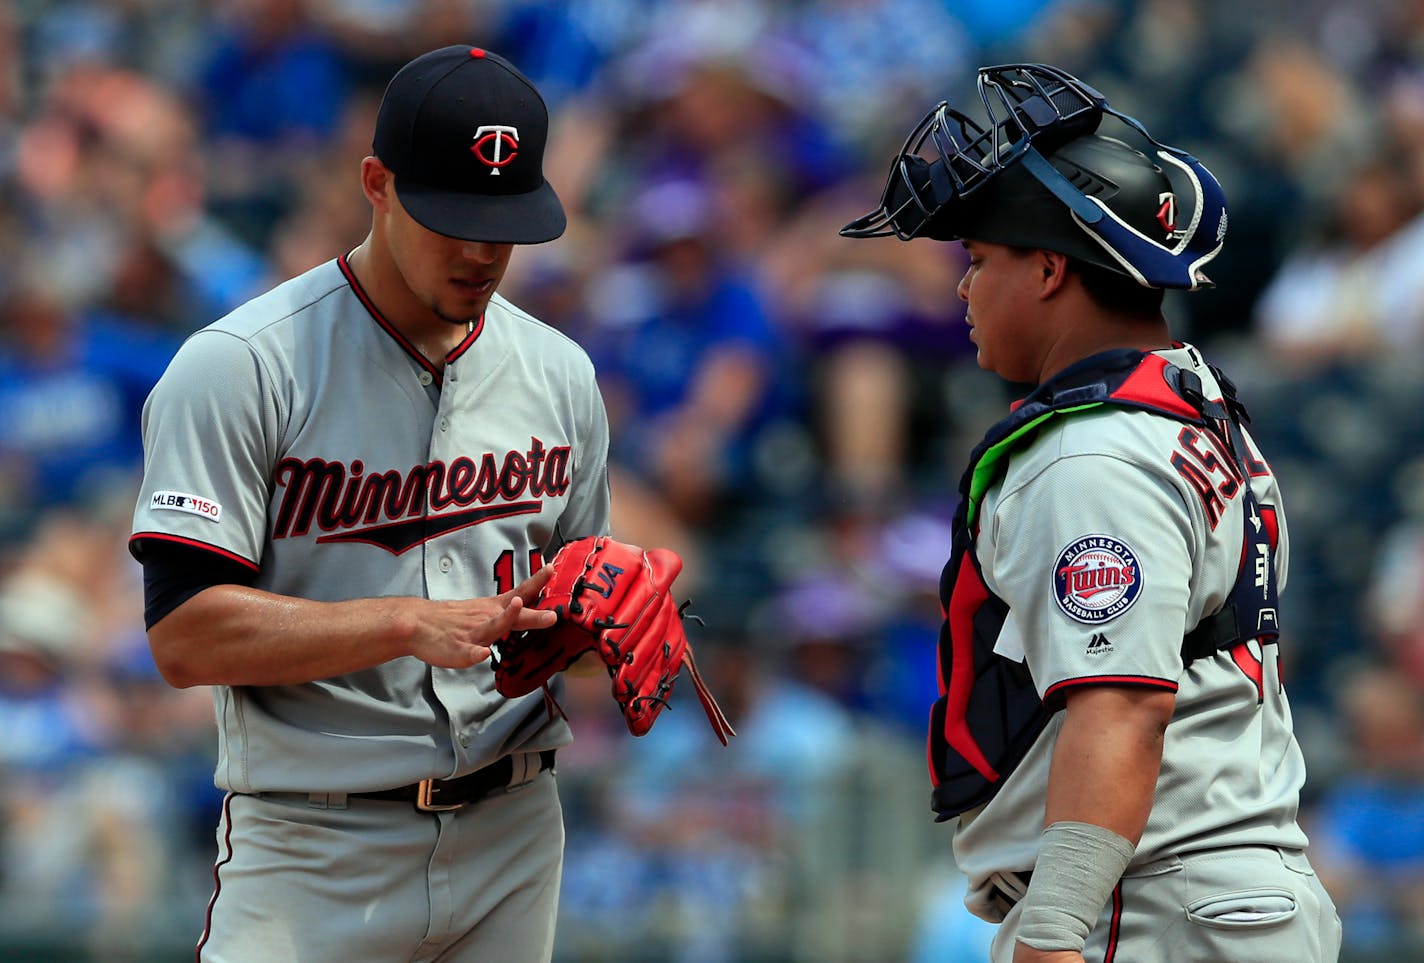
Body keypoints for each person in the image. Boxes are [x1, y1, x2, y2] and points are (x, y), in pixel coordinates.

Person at [841, 64, 1341, 963]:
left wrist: (1057, 928)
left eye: (979, 260)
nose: (963, 289)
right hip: (1222, 891)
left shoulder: (1091, 454)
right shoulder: (1193, 401)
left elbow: (1120, 703)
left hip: (1147, 902)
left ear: (1046, 267)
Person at [128, 46, 610, 962]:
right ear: (376, 184)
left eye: (502, 222)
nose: (480, 251)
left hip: (514, 833)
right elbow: (184, 635)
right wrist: (404, 622)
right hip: (316, 847)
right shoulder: (244, 365)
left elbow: (571, 620)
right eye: (452, 218)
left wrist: (598, 637)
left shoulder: (561, 373)